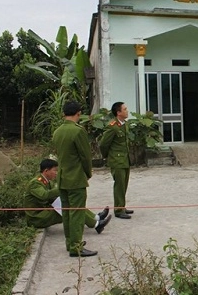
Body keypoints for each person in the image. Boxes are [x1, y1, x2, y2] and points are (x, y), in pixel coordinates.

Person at [53, 101, 97, 257]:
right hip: (76, 178)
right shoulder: (78, 131)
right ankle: (76, 246)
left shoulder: (57, 131)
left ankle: (69, 242)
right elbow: (85, 156)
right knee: (77, 213)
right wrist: (88, 173)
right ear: (78, 113)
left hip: (62, 177)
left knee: (66, 212)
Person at [24, 159, 111, 233]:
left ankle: (97, 218)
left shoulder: (46, 181)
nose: (56, 173)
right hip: (36, 217)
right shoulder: (35, 183)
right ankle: (97, 225)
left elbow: (52, 198)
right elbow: (44, 195)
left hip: (43, 211)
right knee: (69, 209)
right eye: (54, 170)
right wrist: (62, 188)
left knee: (71, 203)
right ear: (46, 171)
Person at [99, 102, 133, 219]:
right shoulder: (112, 126)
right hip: (117, 160)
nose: (127, 111)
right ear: (118, 112)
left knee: (124, 184)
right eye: (125, 109)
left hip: (125, 159)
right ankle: (118, 210)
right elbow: (103, 144)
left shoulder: (124, 124)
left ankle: (121, 206)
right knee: (119, 185)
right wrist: (107, 156)